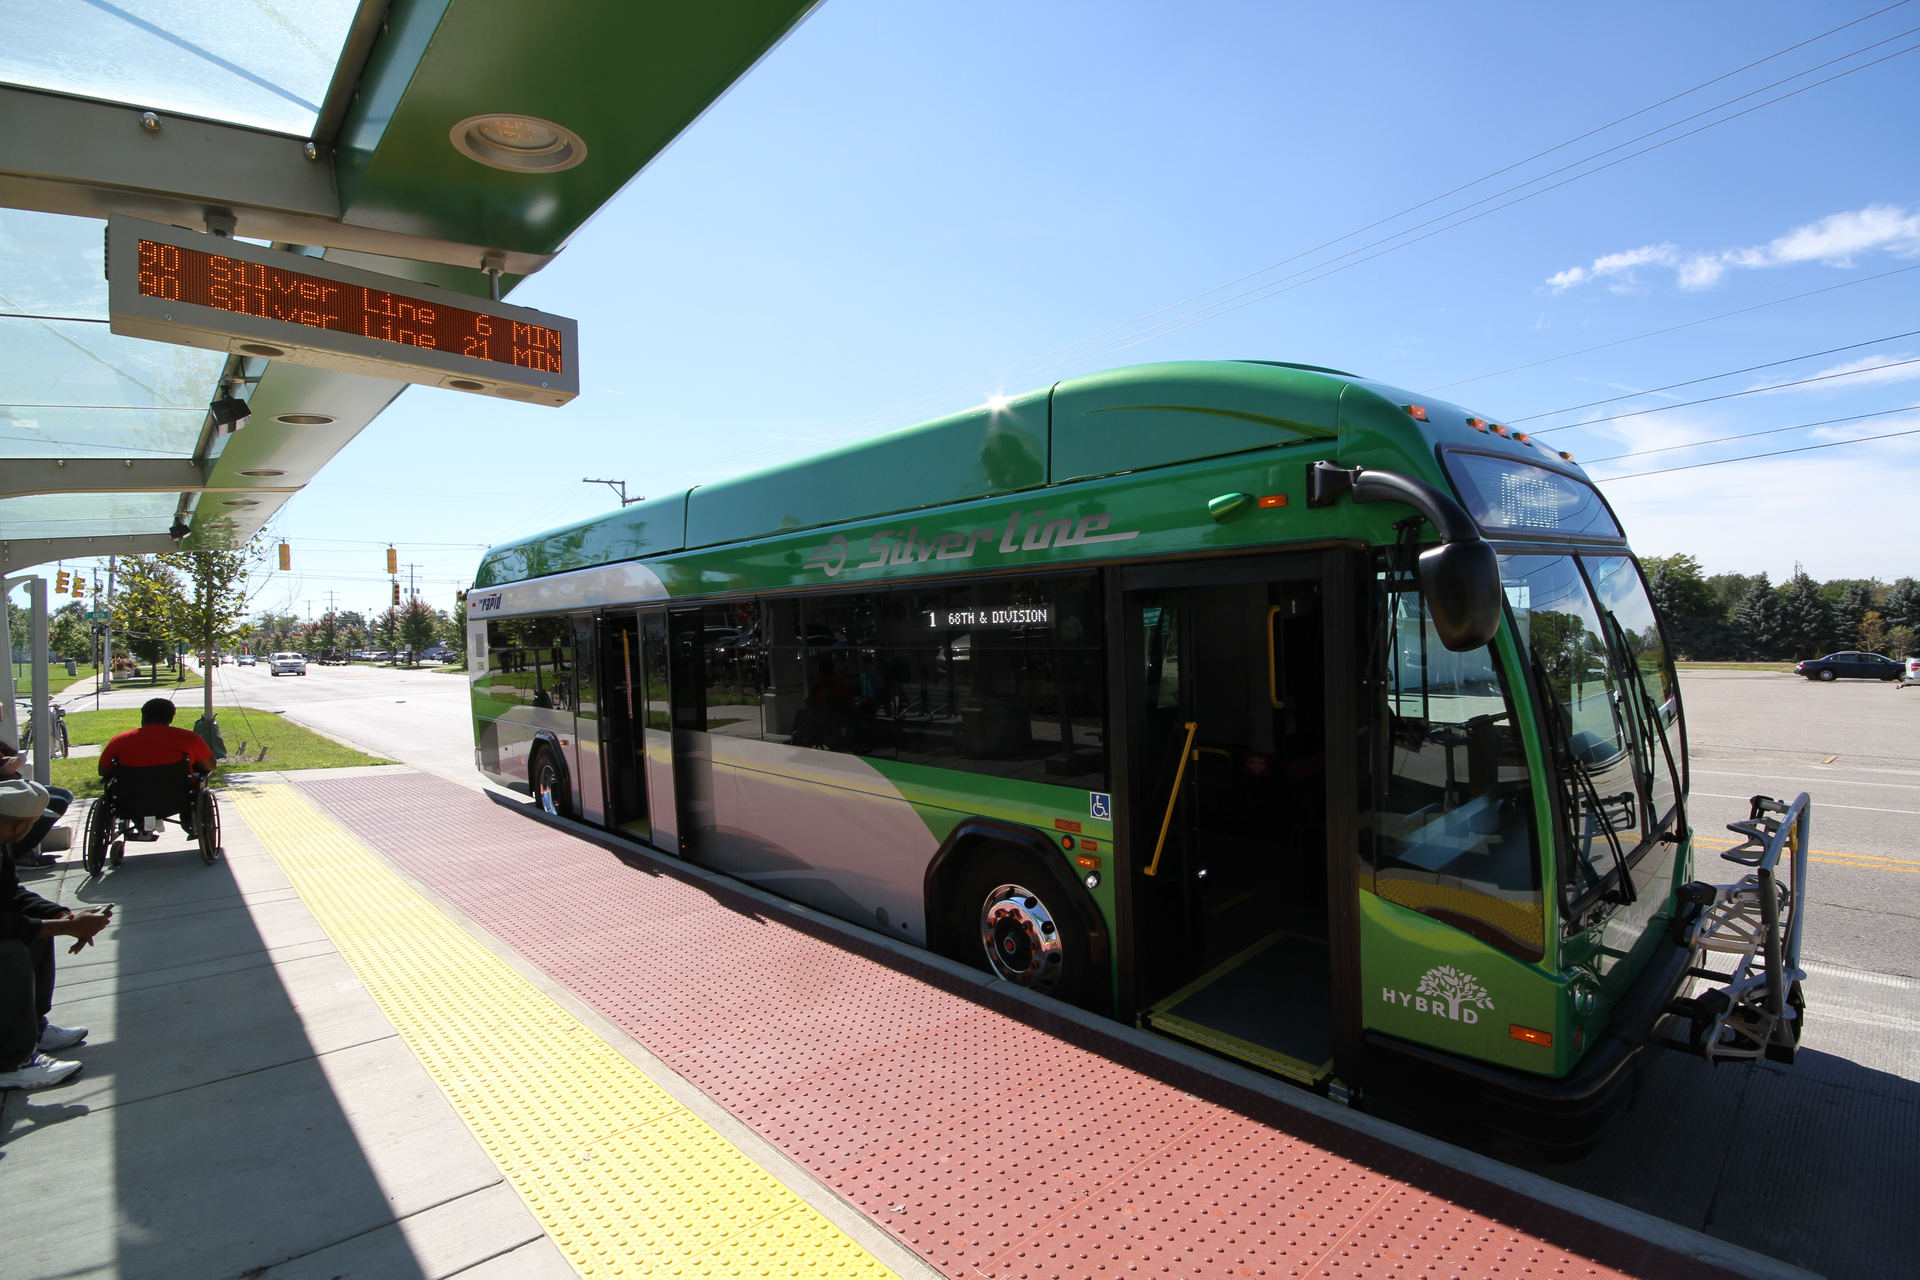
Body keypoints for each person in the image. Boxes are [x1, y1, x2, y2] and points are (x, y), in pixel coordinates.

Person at [0, 778, 109, 1090]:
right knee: (9, 952)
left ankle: (33, 1030)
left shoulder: (2, 844)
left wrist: (62, 915)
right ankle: (11, 1061)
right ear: (21, 826)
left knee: (35, 931)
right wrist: (65, 927)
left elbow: (11, 895)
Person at [98, 699, 215, 836]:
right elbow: (210, 765)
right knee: (194, 782)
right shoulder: (190, 739)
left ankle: (140, 824)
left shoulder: (119, 740)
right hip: (178, 798)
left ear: (144, 717)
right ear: (171, 718)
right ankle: (190, 823)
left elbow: (103, 771)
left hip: (130, 798)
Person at [0, 735, 73, 868]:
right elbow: (6, 767)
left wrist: (15, 760)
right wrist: (14, 761)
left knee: (65, 794)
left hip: (14, 784)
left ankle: (25, 845)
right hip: (5, 791)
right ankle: (20, 854)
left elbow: (17, 756)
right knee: (57, 803)